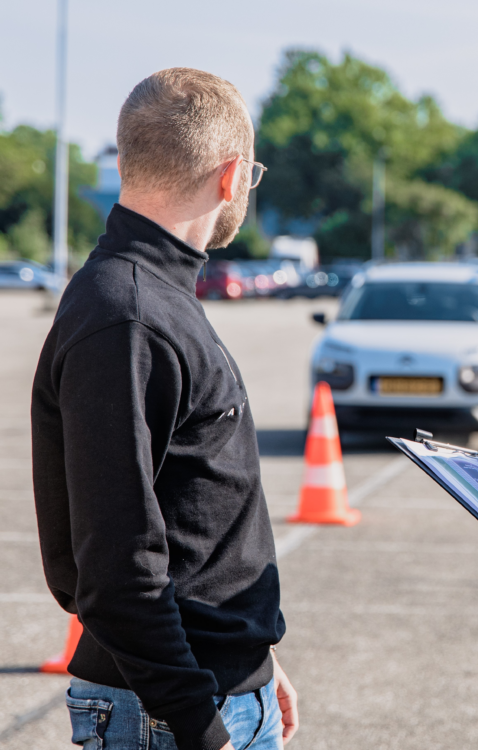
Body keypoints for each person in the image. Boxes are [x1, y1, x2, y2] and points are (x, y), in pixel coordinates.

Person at [32, 68, 297, 750]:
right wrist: (201, 727)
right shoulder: (128, 316)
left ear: (124, 161)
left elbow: (193, 517)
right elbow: (117, 569)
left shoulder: (153, 296)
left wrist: (257, 664)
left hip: (217, 690)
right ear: (233, 176)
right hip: (165, 715)